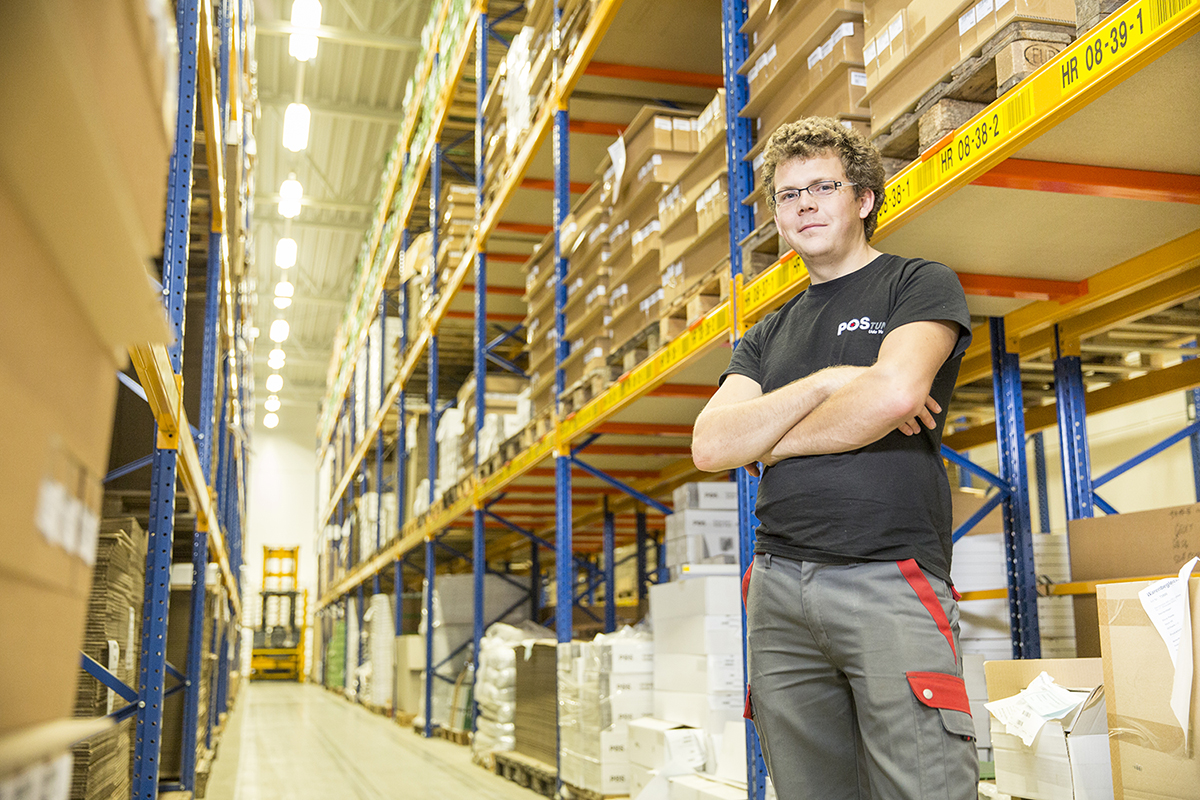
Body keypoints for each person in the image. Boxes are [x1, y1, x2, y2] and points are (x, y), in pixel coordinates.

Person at [691, 117, 977, 799]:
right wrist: (826, 384)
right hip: (779, 588)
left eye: (823, 187)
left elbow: (895, 393)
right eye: (789, 196)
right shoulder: (767, 334)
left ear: (865, 198)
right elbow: (711, 444)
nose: (805, 206)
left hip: (888, 575)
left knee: (924, 785)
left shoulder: (918, 283)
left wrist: (770, 441)